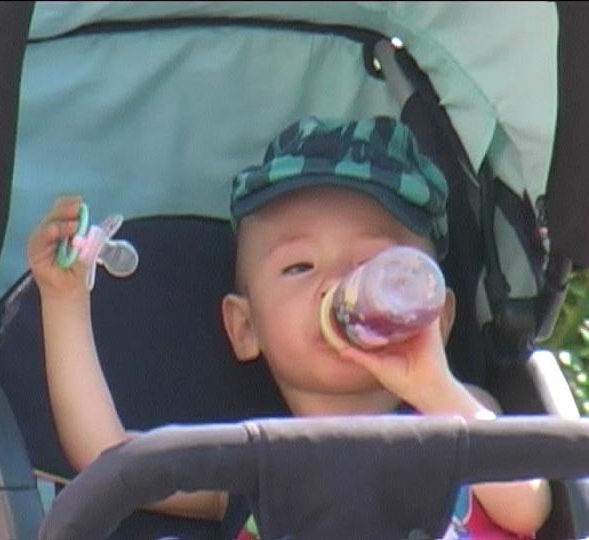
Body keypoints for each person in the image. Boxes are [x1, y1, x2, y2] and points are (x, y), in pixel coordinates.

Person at [28, 116, 552, 539]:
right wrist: (64, 299)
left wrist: (433, 387)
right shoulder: (253, 469)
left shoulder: (456, 417)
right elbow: (108, 458)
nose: (337, 285)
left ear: (439, 313)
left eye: (376, 266)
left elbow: (529, 505)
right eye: (300, 267)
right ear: (245, 327)